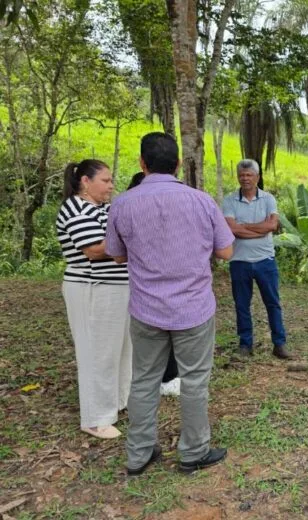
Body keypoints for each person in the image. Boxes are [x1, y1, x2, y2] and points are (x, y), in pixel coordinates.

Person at [105, 132, 234, 475]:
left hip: (146, 309)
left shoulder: (122, 203)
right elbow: (226, 251)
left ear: (142, 164)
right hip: (193, 309)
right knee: (194, 382)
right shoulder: (201, 201)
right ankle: (193, 453)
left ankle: (139, 454)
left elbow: (116, 256)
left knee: (144, 380)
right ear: (178, 164)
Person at [57, 159, 132, 440]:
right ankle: (95, 417)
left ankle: (118, 402)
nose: (111, 186)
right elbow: (94, 249)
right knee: (97, 352)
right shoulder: (76, 208)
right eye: (106, 181)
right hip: (93, 287)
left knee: (122, 349)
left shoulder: (103, 209)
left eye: (112, 181)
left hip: (117, 286)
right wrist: (132, 242)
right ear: (85, 182)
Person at [221, 159, 290, 360]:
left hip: (265, 260)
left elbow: (272, 226)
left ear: (257, 177)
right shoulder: (229, 200)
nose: (245, 179)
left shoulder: (269, 199)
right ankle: (245, 344)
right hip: (239, 261)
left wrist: (244, 227)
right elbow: (231, 229)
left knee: (273, 303)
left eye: (249, 175)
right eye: (242, 175)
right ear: (238, 177)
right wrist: (258, 228)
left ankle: (279, 344)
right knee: (242, 304)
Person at [126, 172, 180, 397]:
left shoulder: (166, 214)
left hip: (159, 287)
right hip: (136, 286)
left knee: (167, 332)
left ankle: (168, 376)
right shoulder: (126, 211)